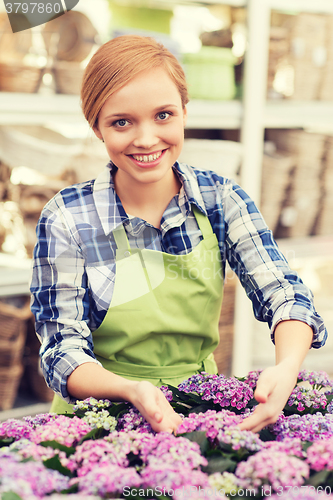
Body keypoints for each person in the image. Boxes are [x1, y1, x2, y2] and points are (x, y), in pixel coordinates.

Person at [30, 35, 327, 434]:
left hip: (195, 407)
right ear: (96, 127)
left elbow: (284, 293)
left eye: (164, 115)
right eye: (122, 122)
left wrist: (287, 367)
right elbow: (61, 349)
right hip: (95, 416)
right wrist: (132, 390)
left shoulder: (222, 200)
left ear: (185, 111)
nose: (146, 138)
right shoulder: (67, 217)